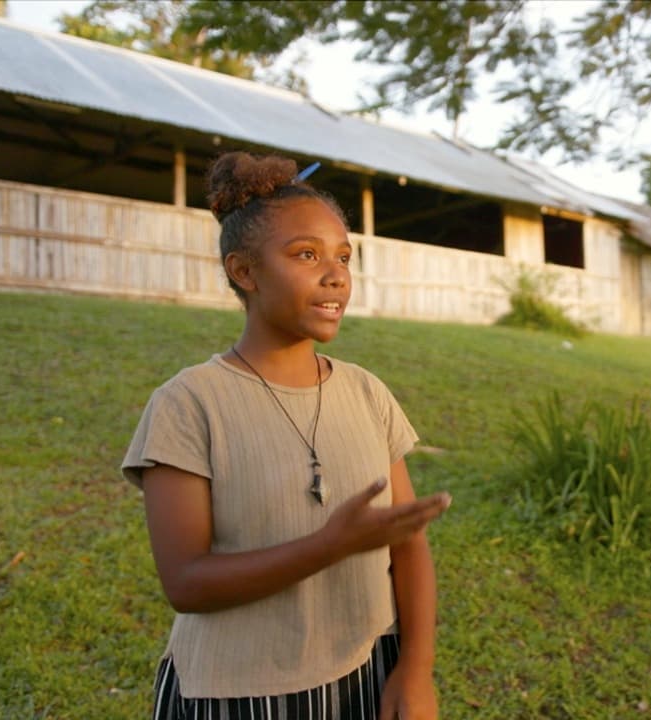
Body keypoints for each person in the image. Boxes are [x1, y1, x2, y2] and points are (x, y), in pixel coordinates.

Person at [122, 151, 451, 720]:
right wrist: (329, 545)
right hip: (235, 694)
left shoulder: (368, 394)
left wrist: (415, 669)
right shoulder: (189, 405)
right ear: (244, 271)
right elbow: (186, 582)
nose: (336, 274)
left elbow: (407, 543)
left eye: (344, 256)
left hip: (367, 672)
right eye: (306, 255)